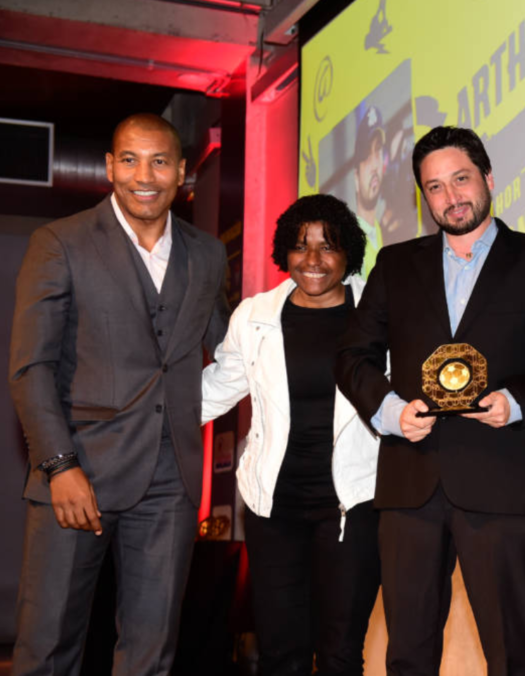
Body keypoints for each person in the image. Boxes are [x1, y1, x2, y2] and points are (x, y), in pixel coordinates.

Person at [9, 113, 229, 676]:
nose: (144, 176)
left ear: (182, 171)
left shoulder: (207, 254)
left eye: (159, 162)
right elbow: (31, 367)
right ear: (109, 167)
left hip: (171, 482)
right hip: (78, 471)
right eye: (129, 160)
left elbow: (231, 352)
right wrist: (59, 466)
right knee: (48, 649)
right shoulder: (60, 242)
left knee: (151, 656)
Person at [335, 126, 525, 676]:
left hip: (501, 477)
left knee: (511, 653)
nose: (451, 196)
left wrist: (517, 401)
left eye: (461, 179)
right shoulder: (395, 264)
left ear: (488, 178)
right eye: (434, 187)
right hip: (409, 483)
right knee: (407, 655)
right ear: (423, 197)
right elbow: (352, 357)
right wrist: (391, 412)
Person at [200, 194, 380, 676]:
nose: (313, 259)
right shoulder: (254, 315)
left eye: (328, 246)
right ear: (285, 251)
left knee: (341, 652)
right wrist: (135, 418)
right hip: (273, 509)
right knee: (281, 653)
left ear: (349, 252)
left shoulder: (377, 311)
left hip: (353, 504)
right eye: (301, 246)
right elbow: (216, 390)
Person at [353, 106, 386, 274]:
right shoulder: (350, 242)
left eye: (378, 150)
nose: (374, 164)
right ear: (356, 177)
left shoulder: (379, 231)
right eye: (366, 156)